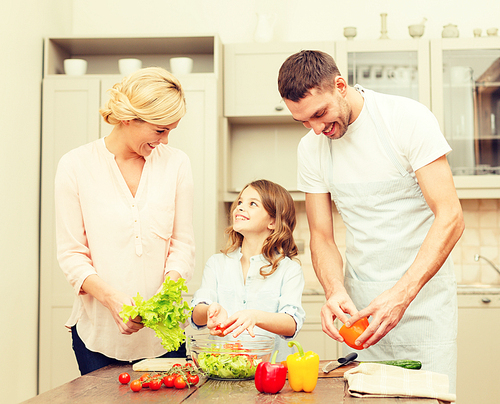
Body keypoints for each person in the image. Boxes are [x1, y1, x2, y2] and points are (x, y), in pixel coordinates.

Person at [278, 50, 464, 391]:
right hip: (360, 313)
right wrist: (333, 290)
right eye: (303, 121)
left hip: (423, 306)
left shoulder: (405, 119)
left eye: (320, 114)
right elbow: (321, 235)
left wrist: (401, 296)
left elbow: (451, 216)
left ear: (340, 85)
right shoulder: (311, 148)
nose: (316, 129)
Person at [55, 67, 195, 375]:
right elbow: (71, 254)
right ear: (129, 118)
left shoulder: (176, 164)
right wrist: (112, 299)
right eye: (160, 130)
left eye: (171, 130)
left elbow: (182, 243)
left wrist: (168, 289)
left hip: (164, 337)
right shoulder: (76, 165)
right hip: (98, 337)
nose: (166, 139)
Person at [190, 179, 306, 362]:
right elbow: (197, 316)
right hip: (223, 369)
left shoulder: (289, 270)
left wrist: (256, 316)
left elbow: (291, 323)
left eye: (252, 203)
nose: (240, 208)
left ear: (273, 222)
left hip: (270, 372)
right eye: (240, 202)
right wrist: (209, 311)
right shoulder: (216, 264)